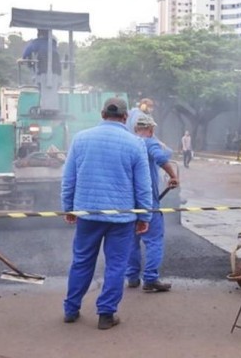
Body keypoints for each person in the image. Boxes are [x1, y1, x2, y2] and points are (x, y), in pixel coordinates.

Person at [61, 97, 153, 330]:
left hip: (88, 214)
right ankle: (105, 314)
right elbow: (143, 186)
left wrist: (69, 208)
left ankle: (71, 310)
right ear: (125, 117)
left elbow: (68, 178)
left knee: (81, 261)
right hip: (121, 218)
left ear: (102, 115)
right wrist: (145, 216)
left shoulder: (80, 139)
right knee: (116, 265)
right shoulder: (135, 144)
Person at [126, 114, 179, 292]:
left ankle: (132, 277)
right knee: (154, 239)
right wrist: (173, 176)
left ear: (135, 129)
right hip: (147, 201)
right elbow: (162, 158)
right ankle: (150, 278)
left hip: (127, 201)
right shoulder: (149, 143)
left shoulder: (129, 143)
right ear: (151, 129)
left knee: (132, 240)